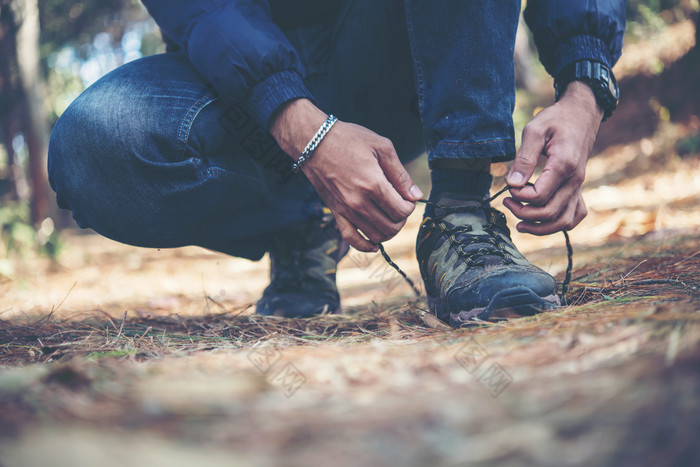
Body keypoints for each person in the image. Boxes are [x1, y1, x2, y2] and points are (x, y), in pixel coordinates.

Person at [48, 0, 625, 327]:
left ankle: (461, 210)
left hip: (406, 48)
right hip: (239, 76)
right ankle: (301, 225)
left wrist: (585, 85)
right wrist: (298, 123)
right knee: (92, 148)